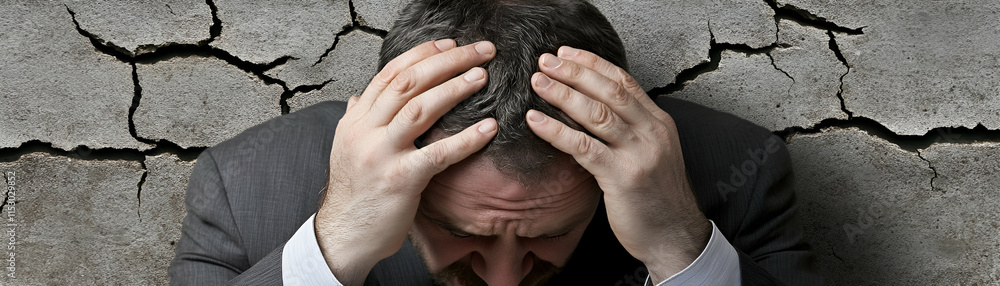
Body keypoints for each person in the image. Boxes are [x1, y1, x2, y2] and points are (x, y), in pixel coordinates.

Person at [169, 0, 821, 285]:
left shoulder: (737, 173)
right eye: (465, 231)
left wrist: (681, 247)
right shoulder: (246, 187)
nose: (506, 280)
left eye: (548, 232)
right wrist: (333, 247)